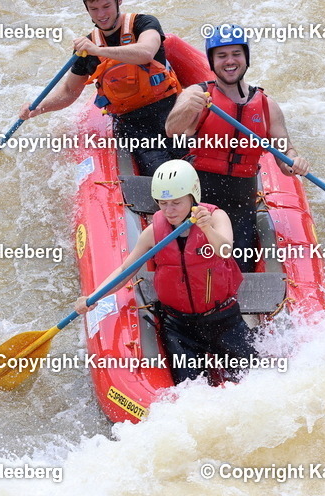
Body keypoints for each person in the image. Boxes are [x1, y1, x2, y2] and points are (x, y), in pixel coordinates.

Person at [73, 160, 257, 384]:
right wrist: (93, 298)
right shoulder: (153, 232)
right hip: (181, 327)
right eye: (163, 203)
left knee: (256, 379)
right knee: (189, 392)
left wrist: (207, 228)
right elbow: (125, 270)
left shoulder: (217, 218)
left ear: (193, 196)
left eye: (176, 203)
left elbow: (226, 251)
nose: (169, 211)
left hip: (223, 319)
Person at [165, 23, 309, 272]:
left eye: (236, 54)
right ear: (212, 61)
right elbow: (172, 130)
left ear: (246, 58)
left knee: (238, 266)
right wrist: (189, 107)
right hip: (200, 195)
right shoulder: (197, 94)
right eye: (221, 55)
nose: (229, 61)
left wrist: (295, 162)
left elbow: (285, 156)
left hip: (241, 200)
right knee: (193, 266)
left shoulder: (266, 105)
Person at [19, 0, 183, 175]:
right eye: (94, 9)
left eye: (106, 6)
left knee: (194, 160)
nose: (101, 14)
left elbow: (146, 52)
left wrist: (98, 51)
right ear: (87, 9)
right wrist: (38, 108)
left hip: (170, 111)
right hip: (134, 125)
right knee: (163, 172)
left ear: (119, 0)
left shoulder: (144, 23)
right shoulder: (86, 49)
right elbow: (70, 91)